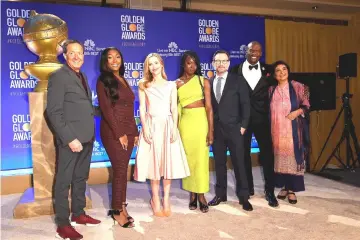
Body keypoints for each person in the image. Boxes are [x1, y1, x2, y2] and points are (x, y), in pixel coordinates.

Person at [46, 39, 101, 240]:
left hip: (87, 137)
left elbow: (85, 107)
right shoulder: (58, 76)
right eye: (72, 53)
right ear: (65, 55)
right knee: (63, 181)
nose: (77, 56)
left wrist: (108, 110)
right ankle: (63, 224)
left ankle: (78, 213)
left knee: (80, 178)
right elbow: (53, 111)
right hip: (71, 139)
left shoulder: (83, 76)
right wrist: (69, 138)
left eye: (80, 53)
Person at [134, 53, 190, 217]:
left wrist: (174, 128)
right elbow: (142, 109)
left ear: (162, 64)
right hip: (152, 126)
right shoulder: (143, 84)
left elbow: (173, 108)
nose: (154, 66)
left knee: (167, 164)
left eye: (156, 63)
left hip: (167, 125)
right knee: (154, 164)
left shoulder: (171, 85)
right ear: (147, 67)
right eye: (150, 64)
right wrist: (145, 128)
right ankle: (155, 200)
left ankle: (166, 199)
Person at [230, 41, 279, 207]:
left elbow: (280, 88)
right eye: (252, 50)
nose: (255, 53)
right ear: (246, 51)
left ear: (261, 53)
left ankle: (270, 191)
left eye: (258, 51)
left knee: (267, 155)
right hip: (242, 120)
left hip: (262, 119)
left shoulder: (269, 70)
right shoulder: (235, 70)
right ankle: (247, 188)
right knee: (243, 155)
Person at [96, 47, 139, 228]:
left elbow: (129, 109)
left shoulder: (123, 79)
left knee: (123, 171)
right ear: (105, 61)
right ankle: (116, 211)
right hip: (113, 132)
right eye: (110, 58)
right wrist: (120, 133)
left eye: (118, 57)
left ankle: (122, 205)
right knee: (120, 170)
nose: (114, 60)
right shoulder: (103, 81)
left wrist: (135, 132)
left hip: (128, 130)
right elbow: (107, 111)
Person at [208, 50, 252, 211]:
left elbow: (246, 105)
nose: (220, 64)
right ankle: (221, 194)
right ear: (213, 63)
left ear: (228, 63)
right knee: (219, 164)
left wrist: (243, 126)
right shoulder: (209, 81)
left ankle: (244, 197)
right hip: (217, 131)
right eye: (217, 61)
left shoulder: (238, 80)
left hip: (235, 129)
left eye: (224, 61)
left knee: (239, 163)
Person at [176, 51, 214, 213]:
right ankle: (192, 194)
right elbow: (175, 108)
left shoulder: (203, 81)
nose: (192, 66)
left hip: (200, 122)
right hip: (185, 123)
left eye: (195, 63)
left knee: (201, 160)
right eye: (189, 63)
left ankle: (201, 194)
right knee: (189, 160)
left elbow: (209, 108)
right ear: (183, 65)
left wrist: (210, 130)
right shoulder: (176, 84)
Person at [269, 60, 310, 204]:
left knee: (293, 159)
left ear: (288, 71)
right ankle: (285, 187)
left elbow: (306, 105)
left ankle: (292, 189)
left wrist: (297, 112)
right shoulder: (271, 90)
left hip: (292, 131)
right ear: (274, 75)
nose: (281, 73)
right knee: (280, 160)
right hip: (277, 131)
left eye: (284, 69)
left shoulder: (298, 86)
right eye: (278, 71)